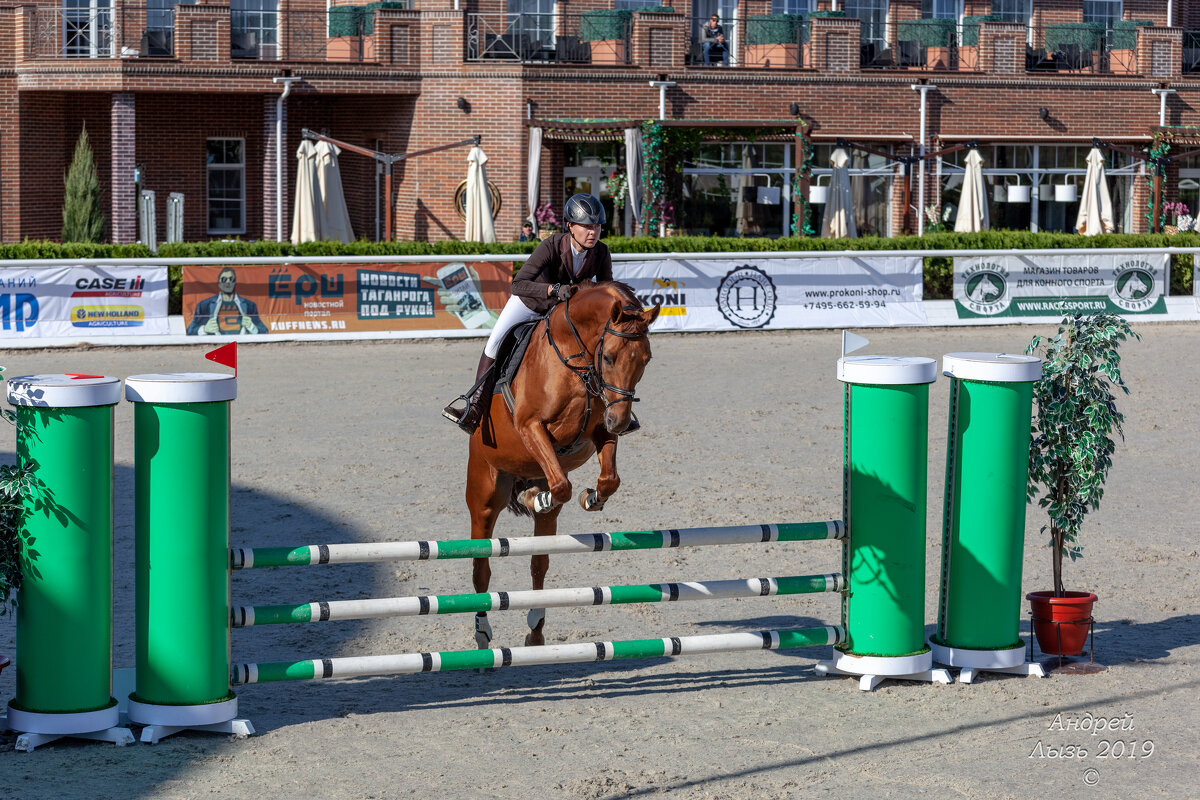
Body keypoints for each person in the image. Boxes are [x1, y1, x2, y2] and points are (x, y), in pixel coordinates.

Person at [443, 193, 637, 435]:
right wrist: (552, 289)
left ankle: (613, 408)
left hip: (563, 312)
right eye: (587, 226)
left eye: (597, 226)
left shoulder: (601, 252)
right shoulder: (551, 245)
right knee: (494, 342)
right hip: (530, 304)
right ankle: (474, 408)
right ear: (570, 226)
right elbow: (518, 284)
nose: (593, 232)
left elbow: (606, 290)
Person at [186, 266, 269, 335]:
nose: (228, 282)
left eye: (231, 279)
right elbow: (190, 331)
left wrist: (252, 327)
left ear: (235, 282)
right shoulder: (204, 305)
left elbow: (264, 331)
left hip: (241, 345)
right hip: (217, 345)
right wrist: (205, 329)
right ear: (219, 283)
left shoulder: (249, 305)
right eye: (224, 279)